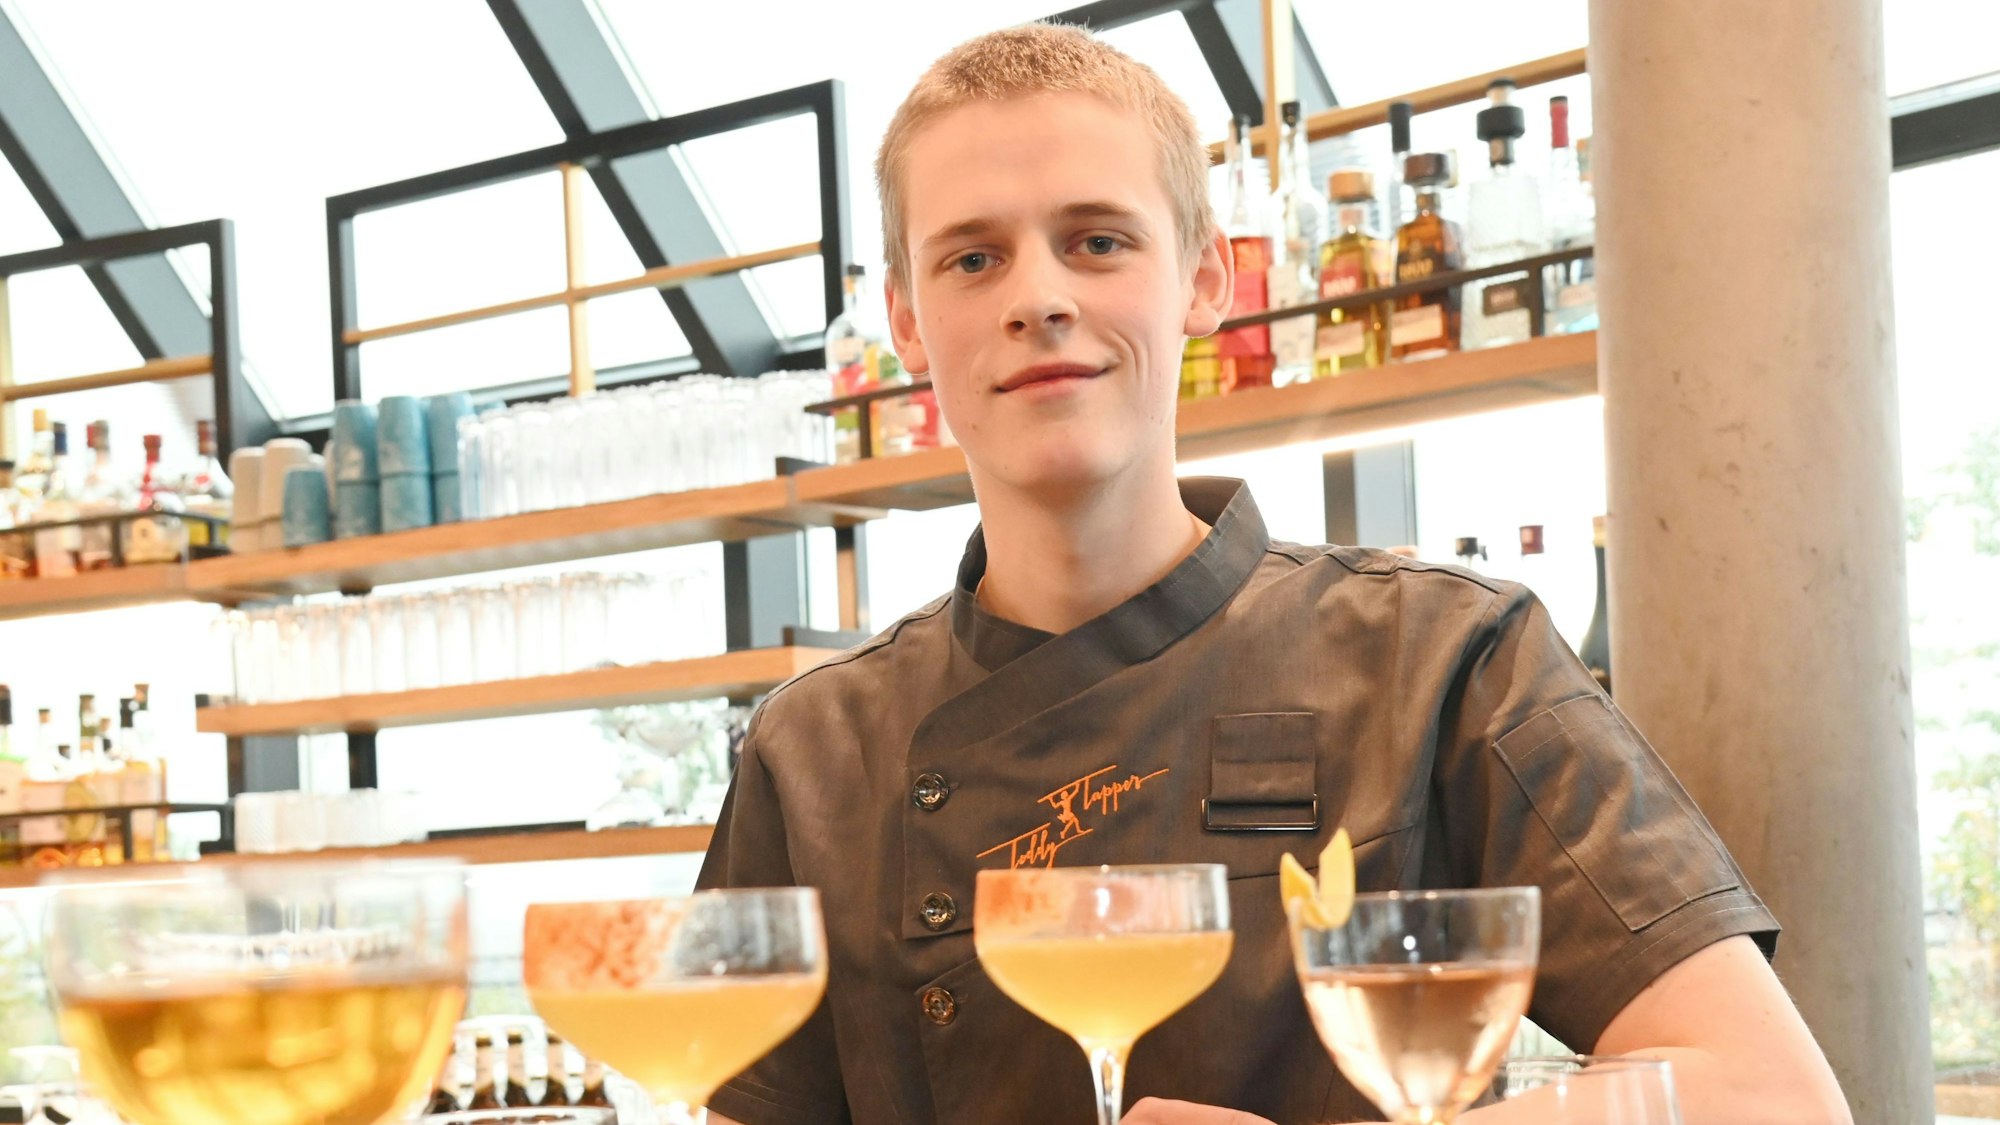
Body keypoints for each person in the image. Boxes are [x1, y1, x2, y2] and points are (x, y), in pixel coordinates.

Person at [698, 22, 1850, 1125]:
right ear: (904, 318)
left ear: (1205, 280)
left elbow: (1769, 1097)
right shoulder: (812, 754)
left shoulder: (1442, 656)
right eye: (971, 257)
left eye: (1097, 240)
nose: (1037, 297)